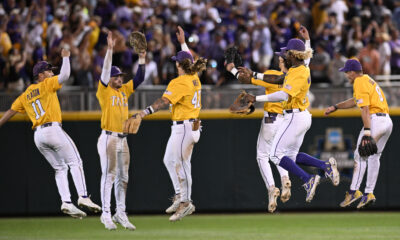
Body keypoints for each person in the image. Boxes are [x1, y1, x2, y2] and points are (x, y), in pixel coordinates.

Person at [232, 38, 340, 202]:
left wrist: (256, 97)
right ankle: (325, 166)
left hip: (294, 116)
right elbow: (277, 80)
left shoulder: (298, 72)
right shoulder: (299, 67)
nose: (286, 54)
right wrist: (254, 74)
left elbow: (283, 94)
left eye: (288, 52)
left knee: (275, 155)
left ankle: (308, 179)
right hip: (300, 115)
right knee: (291, 156)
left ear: (294, 55)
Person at [0, 49, 101, 218]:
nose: (51, 72)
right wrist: (66, 57)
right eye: (48, 70)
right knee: (75, 161)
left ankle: (66, 202)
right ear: (40, 75)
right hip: (53, 129)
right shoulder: (46, 84)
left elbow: (10, 111)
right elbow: (66, 75)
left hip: (38, 136)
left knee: (60, 168)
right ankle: (83, 197)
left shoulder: (25, 95)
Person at [227, 27, 314, 211]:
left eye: (282, 56)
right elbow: (305, 60)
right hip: (286, 119)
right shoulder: (294, 72)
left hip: (274, 120)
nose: (281, 58)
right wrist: (307, 41)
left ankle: (272, 188)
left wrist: (232, 69)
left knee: (263, 156)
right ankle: (285, 179)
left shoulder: (276, 74)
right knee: (281, 154)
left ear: (285, 59)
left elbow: (245, 79)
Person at [131, 26, 206, 221]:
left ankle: (186, 202)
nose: (175, 65)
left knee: (181, 164)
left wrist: (144, 112)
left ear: (180, 65)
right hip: (189, 126)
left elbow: (164, 102)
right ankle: (181, 196)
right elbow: (188, 57)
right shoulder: (194, 77)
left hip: (184, 127)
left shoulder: (180, 82)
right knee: (169, 160)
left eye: (177, 62)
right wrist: (183, 43)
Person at [325, 59, 392, 208]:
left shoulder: (358, 82)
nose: (346, 75)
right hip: (387, 122)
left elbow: (365, 109)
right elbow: (355, 101)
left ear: (352, 72)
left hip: (375, 120)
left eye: (347, 72)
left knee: (360, 154)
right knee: (374, 156)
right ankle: (369, 193)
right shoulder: (367, 79)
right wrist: (336, 106)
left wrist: (367, 131)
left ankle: (353, 191)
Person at [96, 31, 145, 230]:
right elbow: (106, 68)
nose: (120, 79)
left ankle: (120, 213)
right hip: (108, 138)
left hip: (123, 139)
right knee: (109, 176)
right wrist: (109, 50)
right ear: (110, 78)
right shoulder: (104, 90)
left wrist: (142, 57)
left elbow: (140, 77)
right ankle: (105, 214)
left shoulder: (124, 90)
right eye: (117, 77)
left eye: (120, 77)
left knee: (123, 178)